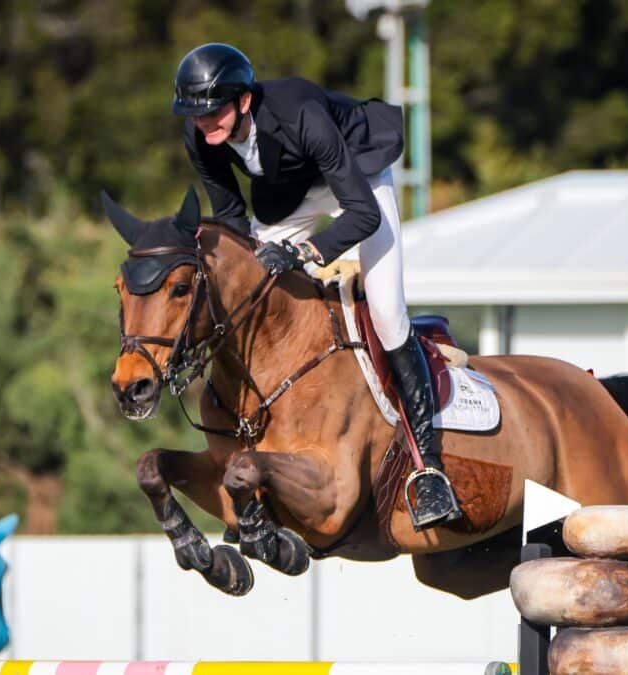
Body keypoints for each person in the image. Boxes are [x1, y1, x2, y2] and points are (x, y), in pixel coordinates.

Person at [172, 43, 462, 529]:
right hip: (292, 195)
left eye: (214, 112)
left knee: (388, 314)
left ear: (244, 101)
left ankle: (427, 467)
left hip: (359, 180)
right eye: (195, 115)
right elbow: (229, 215)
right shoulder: (200, 133)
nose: (204, 124)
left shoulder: (302, 113)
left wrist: (307, 253)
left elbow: (362, 214)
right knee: (254, 290)